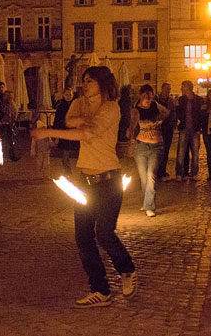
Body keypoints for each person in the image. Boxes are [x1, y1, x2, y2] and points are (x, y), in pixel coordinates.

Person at [31, 66, 137, 308]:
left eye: (90, 81)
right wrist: (84, 121)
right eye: (84, 81)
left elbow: (87, 134)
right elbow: (69, 121)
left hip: (109, 181)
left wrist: (47, 131)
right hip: (85, 182)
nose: (85, 84)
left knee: (104, 233)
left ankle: (127, 268)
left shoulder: (112, 108)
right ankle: (100, 290)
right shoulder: (79, 102)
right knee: (83, 238)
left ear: (102, 82)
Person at [129, 85, 169, 217]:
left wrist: (155, 102)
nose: (148, 98)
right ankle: (147, 202)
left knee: (151, 175)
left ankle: (149, 206)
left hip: (156, 147)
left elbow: (167, 112)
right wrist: (130, 138)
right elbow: (132, 126)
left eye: (150, 96)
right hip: (141, 147)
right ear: (140, 96)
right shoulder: (136, 110)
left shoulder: (156, 108)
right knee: (143, 178)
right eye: (145, 96)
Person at [175, 81, 204, 181]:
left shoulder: (198, 100)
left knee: (195, 153)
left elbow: (200, 115)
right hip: (184, 128)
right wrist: (177, 107)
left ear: (188, 88)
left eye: (183, 87)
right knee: (181, 153)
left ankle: (194, 173)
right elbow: (179, 115)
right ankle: (179, 173)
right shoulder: (181, 100)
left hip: (195, 129)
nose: (181, 89)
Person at [53, 87, 79, 176]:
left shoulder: (76, 106)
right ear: (64, 95)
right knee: (65, 154)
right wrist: (56, 135)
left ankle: (80, 171)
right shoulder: (60, 107)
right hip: (64, 132)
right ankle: (68, 171)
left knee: (78, 152)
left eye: (70, 95)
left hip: (74, 132)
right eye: (67, 95)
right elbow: (57, 121)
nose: (68, 96)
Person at [155, 83, 176, 181]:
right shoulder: (156, 100)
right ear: (162, 89)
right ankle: (157, 171)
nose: (168, 90)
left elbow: (173, 113)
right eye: (167, 88)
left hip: (168, 128)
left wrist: (173, 122)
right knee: (157, 150)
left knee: (166, 150)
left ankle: (162, 171)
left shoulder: (171, 101)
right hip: (158, 128)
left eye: (169, 89)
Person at [0, 89, 17, 162]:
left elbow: (14, 113)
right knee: (3, 140)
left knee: (10, 141)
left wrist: (13, 120)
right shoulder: (1, 104)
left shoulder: (11, 104)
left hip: (9, 124)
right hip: (2, 124)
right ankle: (3, 156)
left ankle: (11, 156)